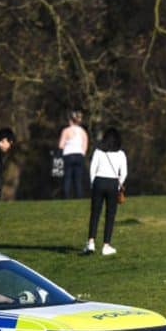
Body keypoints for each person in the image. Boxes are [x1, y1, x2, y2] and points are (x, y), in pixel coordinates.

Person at [84, 128, 128, 256]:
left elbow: (92, 169)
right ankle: (106, 245)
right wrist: (119, 186)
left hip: (98, 181)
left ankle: (91, 242)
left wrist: (93, 184)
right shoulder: (121, 154)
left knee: (95, 213)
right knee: (110, 215)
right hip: (113, 183)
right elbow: (124, 173)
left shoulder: (98, 152)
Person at [58, 110, 89, 199]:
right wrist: (82, 153)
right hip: (79, 155)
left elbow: (61, 145)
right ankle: (79, 197)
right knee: (78, 179)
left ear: (70, 120)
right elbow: (85, 145)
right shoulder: (83, 132)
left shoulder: (66, 131)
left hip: (68, 155)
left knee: (67, 177)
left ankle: (66, 197)